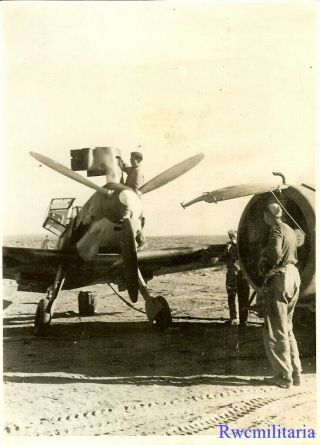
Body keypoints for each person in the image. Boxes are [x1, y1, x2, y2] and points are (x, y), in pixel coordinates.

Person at [259, 203, 302, 389]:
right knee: (287, 327)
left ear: (269, 215)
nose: (263, 218)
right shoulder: (290, 230)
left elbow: (275, 254)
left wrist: (264, 256)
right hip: (294, 276)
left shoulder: (276, 229)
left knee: (275, 329)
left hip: (281, 278)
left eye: (264, 215)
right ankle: (296, 373)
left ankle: (284, 377)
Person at [118, 151, 147, 249]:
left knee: (137, 223)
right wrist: (120, 160)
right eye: (130, 159)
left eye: (132, 159)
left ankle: (142, 244)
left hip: (133, 202)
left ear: (138, 160)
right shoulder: (132, 170)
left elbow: (136, 190)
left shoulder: (138, 173)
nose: (130, 160)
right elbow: (125, 168)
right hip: (129, 200)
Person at [221, 230, 250, 326]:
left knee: (243, 297)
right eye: (231, 236)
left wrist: (234, 245)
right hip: (232, 274)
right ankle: (234, 318)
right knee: (231, 297)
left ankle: (243, 320)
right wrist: (228, 249)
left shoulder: (242, 245)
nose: (232, 238)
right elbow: (223, 257)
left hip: (241, 275)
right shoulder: (229, 246)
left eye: (233, 236)